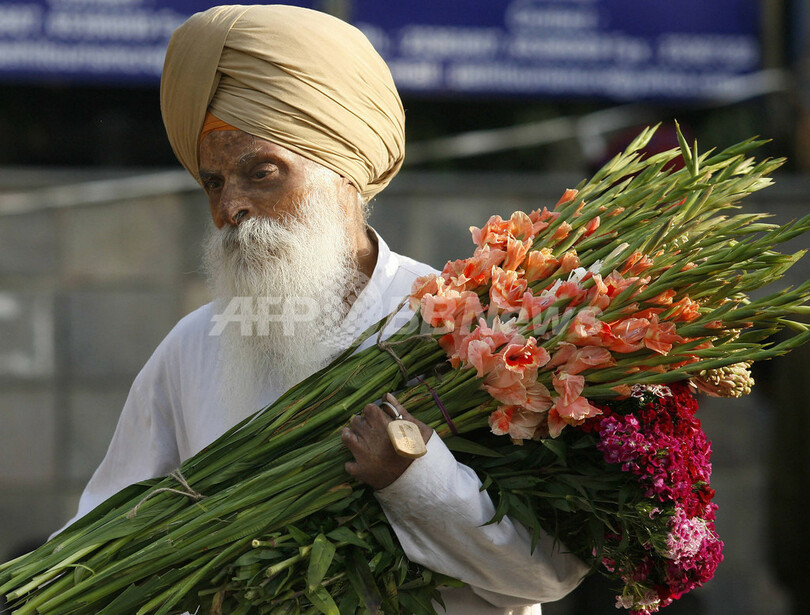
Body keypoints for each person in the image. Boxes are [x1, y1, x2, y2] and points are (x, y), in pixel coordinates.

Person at [63, 5, 588, 613]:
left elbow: (549, 573)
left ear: (345, 171)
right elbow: (98, 544)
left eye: (262, 172)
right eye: (213, 183)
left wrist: (414, 479)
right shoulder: (194, 346)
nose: (230, 208)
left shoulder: (476, 331)